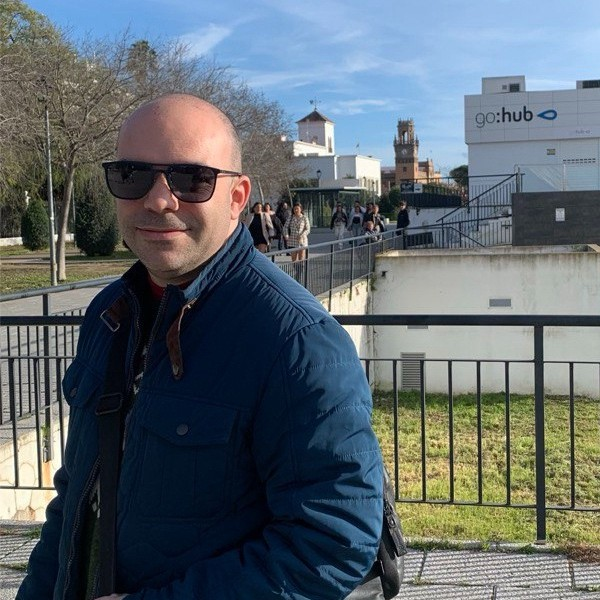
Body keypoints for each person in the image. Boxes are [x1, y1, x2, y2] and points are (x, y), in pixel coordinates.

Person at [16, 94, 383, 600]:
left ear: (237, 197)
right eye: (132, 175)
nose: (159, 200)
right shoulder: (110, 314)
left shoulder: (295, 341)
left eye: (191, 179)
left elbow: (331, 542)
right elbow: (76, 498)